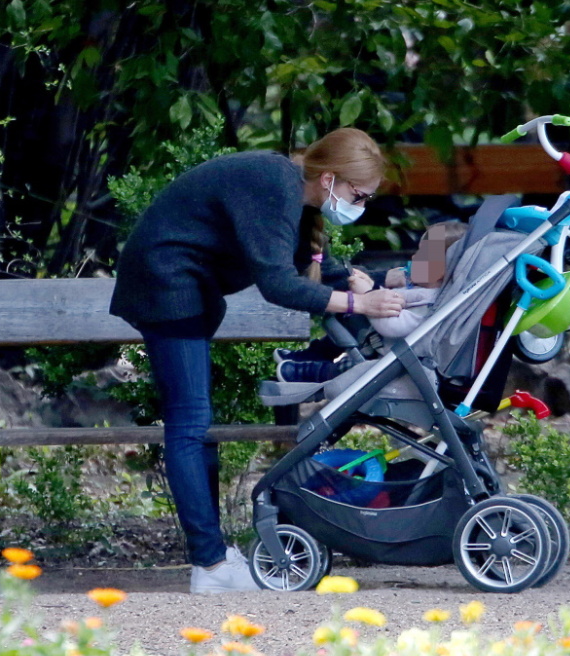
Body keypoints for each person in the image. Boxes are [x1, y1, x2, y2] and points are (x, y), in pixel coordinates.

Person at [108, 128, 404, 594]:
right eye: (358, 194)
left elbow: (302, 263)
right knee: (189, 425)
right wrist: (357, 306)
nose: (360, 204)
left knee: (197, 427)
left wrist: (354, 280)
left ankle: (214, 558)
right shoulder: (274, 185)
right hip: (166, 283)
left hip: (187, 289)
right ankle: (208, 567)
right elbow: (278, 285)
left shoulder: (297, 198)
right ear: (329, 178)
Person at [275, 221, 468, 384]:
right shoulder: (420, 289)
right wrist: (371, 287)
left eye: (423, 255)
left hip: (388, 361)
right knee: (350, 314)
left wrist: (367, 294)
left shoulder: (434, 305)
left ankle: (316, 374)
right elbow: (390, 299)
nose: (413, 257)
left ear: (444, 270)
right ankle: (317, 353)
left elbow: (393, 325)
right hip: (374, 344)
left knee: (349, 371)